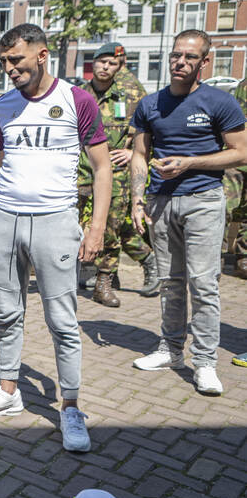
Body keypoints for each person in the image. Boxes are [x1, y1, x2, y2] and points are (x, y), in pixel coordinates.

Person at [0, 23, 111, 453]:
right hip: (5, 220)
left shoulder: (77, 100)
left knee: (62, 320)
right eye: (4, 62)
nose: (10, 68)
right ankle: (9, 390)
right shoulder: (1, 107)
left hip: (55, 221)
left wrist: (96, 227)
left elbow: (102, 167)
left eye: (17, 60)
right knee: (7, 312)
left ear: (42, 55)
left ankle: (71, 407)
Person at [129, 30, 247, 396]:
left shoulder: (220, 102)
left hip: (203, 200)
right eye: (176, 55)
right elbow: (139, 155)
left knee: (204, 283)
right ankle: (170, 349)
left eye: (190, 57)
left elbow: (241, 152)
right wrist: (136, 200)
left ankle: (205, 362)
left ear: (204, 63)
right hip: (161, 202)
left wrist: (190, 163)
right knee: (170, 281)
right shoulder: (150, 104)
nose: (180, 62)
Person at [76, 42, 156, 306]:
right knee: (76, 225)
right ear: (93, 63)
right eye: (102, 61)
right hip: (80, 171)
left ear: (119, 66)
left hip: (115, 172)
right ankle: (79, 272)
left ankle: (104, 281)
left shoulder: (130, 95)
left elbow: (148, 132)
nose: (106, 67)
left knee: (111, 228)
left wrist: (133, 153)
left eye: (112, 63)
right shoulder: (78, 94)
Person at [222, 77, 247, 278]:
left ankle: (243, 258)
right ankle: (215, 257)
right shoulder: (245, 86)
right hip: (237, 160)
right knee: (224, 209)